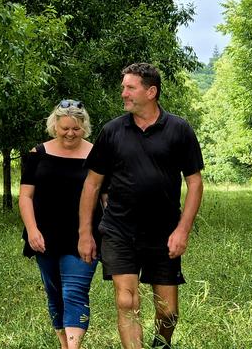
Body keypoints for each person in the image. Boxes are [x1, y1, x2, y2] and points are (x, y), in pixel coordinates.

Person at [78, 63, 204, 349]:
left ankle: (161, 345)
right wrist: (85, 233)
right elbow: (92, 184)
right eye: (123, 87)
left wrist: (182, 230)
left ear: (151, 91)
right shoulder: (112, 131)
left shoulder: (179, 129)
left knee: (168, 312)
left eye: (130, 87)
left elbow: (195, 184)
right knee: (126, 301)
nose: (123, 93)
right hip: (119, 230)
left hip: (163, 232)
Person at [19, 99, 102, 349]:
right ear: (55, 125)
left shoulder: (97, 154)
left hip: (84, 236)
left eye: (76, 128)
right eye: (65, 127)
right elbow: (26, 196)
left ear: (84, 127)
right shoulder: (38, 154)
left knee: (74, 292)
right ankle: (65, 345)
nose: (70, 133)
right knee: (55, 295)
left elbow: (106, 194)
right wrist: (32, 231)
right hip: (44, 237)